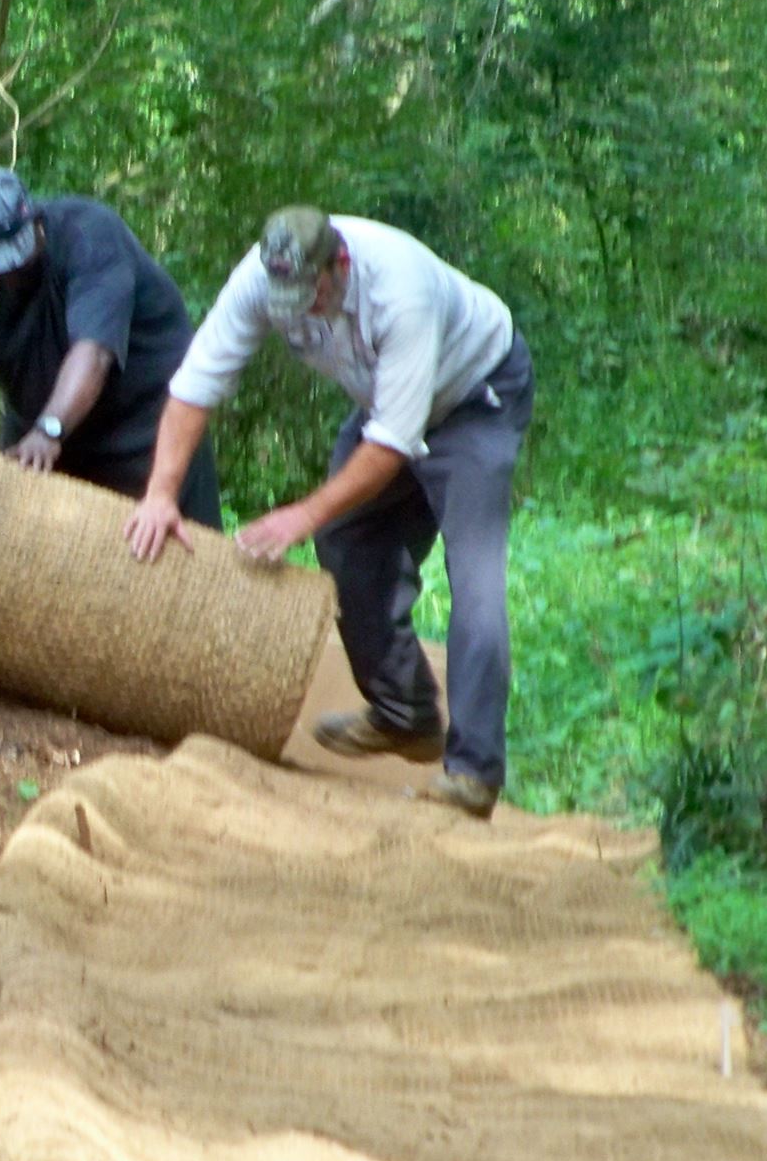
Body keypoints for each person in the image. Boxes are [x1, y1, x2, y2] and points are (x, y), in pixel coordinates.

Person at [122, 205, 532, 819]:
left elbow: (393, 446)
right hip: (386, 399)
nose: (299, 309)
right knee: (344, 539)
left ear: (338, 264)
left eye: (309, 295)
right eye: (285, 298)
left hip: (475, 397)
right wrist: (160, 492)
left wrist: (299, 515)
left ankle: (474, 774)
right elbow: (194, 385)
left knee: (473, 577)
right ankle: (405, 712)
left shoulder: (400, 290)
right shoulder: (261, 281)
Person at [0, 168, 222, 525]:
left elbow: (93, 353)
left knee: (176, 561)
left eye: (17, 257)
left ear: (35, 222)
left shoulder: (90, 236)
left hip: (144, 431)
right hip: (37, 430)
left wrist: (49, 430)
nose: (9, 272)